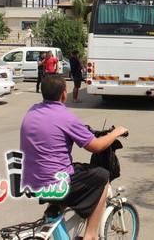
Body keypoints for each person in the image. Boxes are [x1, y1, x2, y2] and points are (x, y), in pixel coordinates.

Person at [20, 75, 128, 240]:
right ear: (64, 94)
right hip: (56, 180)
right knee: (102, 177)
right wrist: (116, 132)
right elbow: (96, 146)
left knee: (75, 169)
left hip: (31, 180)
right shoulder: (65, 117)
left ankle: (54, 211)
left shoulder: (33, 110)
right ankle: (90, 235)